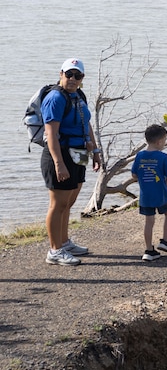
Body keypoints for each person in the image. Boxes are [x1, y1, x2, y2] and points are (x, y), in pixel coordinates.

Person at [41, 58, 103, 266]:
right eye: (69, 74)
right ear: (61, 74)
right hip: (60, 154)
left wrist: (95, 151)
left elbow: (87, 125)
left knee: (68, 203)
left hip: (78, 154)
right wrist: (59, 164)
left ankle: (64, 242)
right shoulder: (55, 98)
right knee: (57, 205)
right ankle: (54, 250)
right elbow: (51, 134)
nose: (73, 79)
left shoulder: (79, 95)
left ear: (82, 78)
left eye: (78, 76)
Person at [131, 123, 167, 262]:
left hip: (145, 195)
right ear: (159, 142)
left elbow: (134, 175)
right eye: (164, 141)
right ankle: (164, 240)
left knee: (149, 221)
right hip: (161, 193)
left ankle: (148, 250)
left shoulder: (139, 156)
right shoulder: (163, 157)